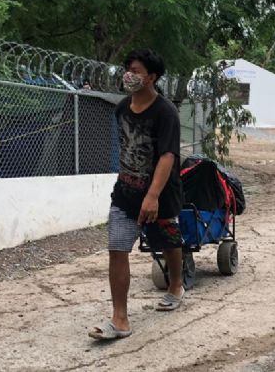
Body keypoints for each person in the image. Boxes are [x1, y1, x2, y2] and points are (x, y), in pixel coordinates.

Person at [89, 49, 184, 341]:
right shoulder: (122, 109)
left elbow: (168, 155)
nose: (129, 74)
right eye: (127, 68)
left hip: (160, 194)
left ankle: (176, 285)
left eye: (137, 70)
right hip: (126, 194)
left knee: (167, 242)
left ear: (152, 77)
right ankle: (120, 319)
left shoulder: (165, 112)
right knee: (118, 249)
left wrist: (153, 196)